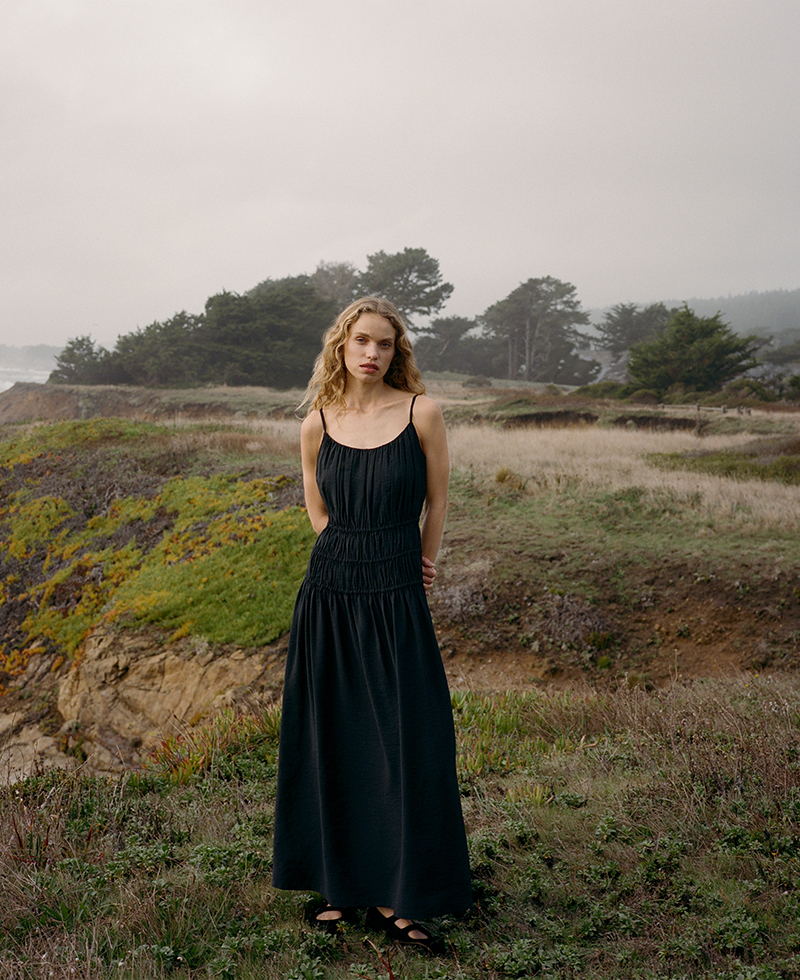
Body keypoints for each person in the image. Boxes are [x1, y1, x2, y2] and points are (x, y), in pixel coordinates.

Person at [271, 296, 472, 949]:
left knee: (407, 741)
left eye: (385, 344)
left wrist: (423, 562)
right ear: (341, 345)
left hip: (395, 592)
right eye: (362, 340)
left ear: (397, 351)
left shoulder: (423, 413)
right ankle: (339, 882)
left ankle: (400, 893)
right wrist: (347, 559)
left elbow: (439, 499)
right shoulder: (315, 423)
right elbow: (319, 511)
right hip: (330, 593)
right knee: (333, 739)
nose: (372, 353)